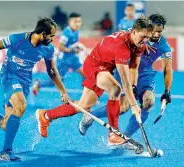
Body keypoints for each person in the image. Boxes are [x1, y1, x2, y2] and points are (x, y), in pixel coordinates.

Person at [35, 16, 154, 145]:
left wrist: (134, 86)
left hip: (106, 68)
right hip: (94, 65)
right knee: (115, 89)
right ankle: (113, 134)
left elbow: (134, 67)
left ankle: (46, 115)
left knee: (83, 106)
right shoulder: (122, 46)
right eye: (143, 36)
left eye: (147, 37)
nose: (145, 40)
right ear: (134, 31)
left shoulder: (139, 43)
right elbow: (125, 81)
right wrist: (135, 106)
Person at [0, 17, 69, 161]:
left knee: (6, 124)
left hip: (24, 82)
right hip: (9, 76)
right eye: (51, 36)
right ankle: (6, 152)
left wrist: (63, 91)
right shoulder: (18, 39)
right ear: (42, 34)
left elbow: (52, 71)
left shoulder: (48, 49)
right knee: (21, 105)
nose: (52, 39)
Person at [79, 14, 172, 143]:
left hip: (145, 75)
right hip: (125, 70)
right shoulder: (135, 35)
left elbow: (168, 69)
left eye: (160, 32)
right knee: (123, 107)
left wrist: (167, 91)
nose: (156, 35)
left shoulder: (164, 45)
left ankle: (124, 137)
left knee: (149, 102)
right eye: (154, 31)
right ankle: (91, 115)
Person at [33, 13, 85, 95]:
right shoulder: (66, 33)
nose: (77, 24)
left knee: (85, 73)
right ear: (70, 22)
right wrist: (73, 50)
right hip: (64, 60)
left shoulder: (76, 31)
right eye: (75, 21)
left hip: (73, 58)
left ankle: (87, 95)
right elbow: (60, 47)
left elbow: (73, 44)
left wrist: (79, 46)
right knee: (55, 82)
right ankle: (38, 84)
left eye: (79, 21)